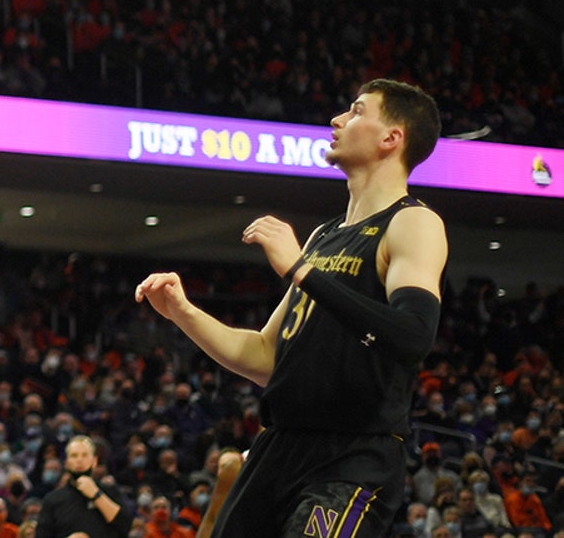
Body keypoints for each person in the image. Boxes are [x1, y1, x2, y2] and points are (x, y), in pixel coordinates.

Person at [135, 79, 448, 537]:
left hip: (353, 455)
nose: (337, 120)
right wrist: (184, 312)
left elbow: (413, 335)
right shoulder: (325, 236)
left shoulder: (413, 222)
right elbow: (265, 357)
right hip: (279, 445)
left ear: (391, 138)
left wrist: (302, 271)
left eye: (357, 111)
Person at [34, 436, 125, 538]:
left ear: (94, 461)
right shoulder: (53, 500)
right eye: (74, 455)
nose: (79, 460)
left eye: (85, 455)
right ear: (66, 463)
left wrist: (96, 494)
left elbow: (125, 525)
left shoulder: (110, 491)